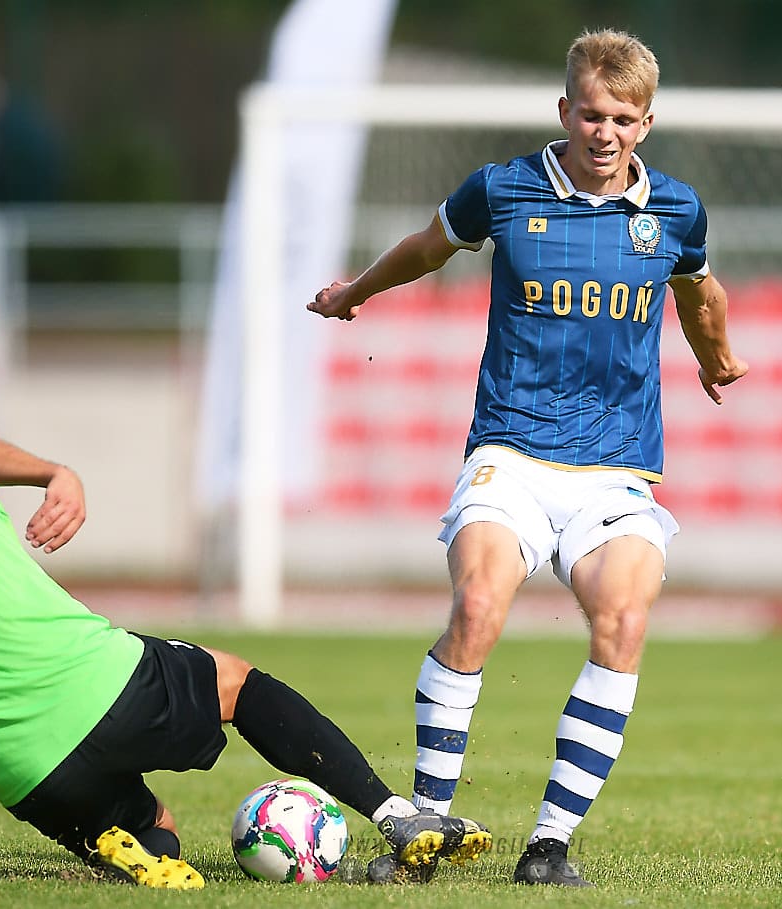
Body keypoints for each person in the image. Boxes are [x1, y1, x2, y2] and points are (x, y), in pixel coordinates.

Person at [309, 28, 747, 887]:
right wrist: (356, 291)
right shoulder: (503, 189)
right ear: (565, 110)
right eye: (591, 113)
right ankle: (424, 830)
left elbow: (700, 291)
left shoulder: (675, 210)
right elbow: (427, 247)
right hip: (511, 453)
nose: (604, 132)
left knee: (623, 621)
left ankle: (548, 846)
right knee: (477, 604)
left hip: (616, 470)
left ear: (646, 124)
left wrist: (716, 356)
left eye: (622, 118)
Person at [0, 369, 491, 889]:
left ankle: (129, 850)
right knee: (236, 684)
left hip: (23, 771)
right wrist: (54, 474)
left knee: (156, 828)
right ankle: (397, 816)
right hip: (95, 683)